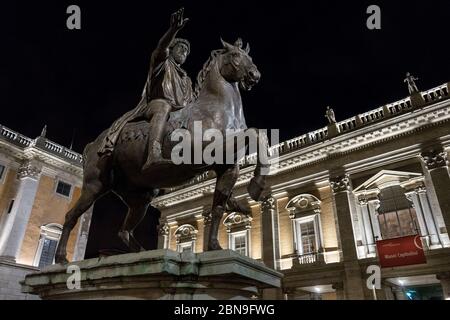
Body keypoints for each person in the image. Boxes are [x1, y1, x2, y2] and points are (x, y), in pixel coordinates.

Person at [98, 8, 193, 169]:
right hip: (154, 105)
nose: (184, 52)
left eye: (187, 51)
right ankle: (153, 154)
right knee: (164, 106)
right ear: (172, 50)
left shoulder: (187, 79)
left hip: (179, 111)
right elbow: (161, 48)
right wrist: (173, 30)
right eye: (181, 48)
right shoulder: (162, 63)